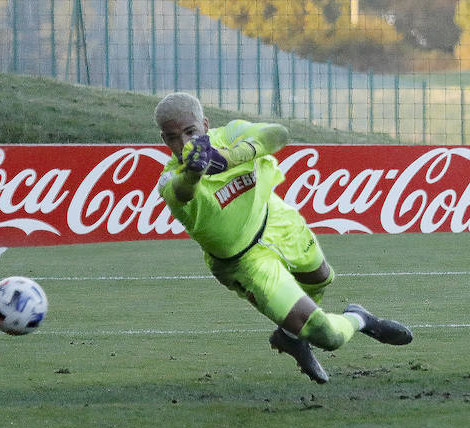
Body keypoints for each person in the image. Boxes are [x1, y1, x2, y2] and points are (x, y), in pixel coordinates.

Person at [153, 91, 413, 384]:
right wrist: (193, 173)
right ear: (165, 140)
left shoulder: (231, 134)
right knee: (327, 335)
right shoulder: (169, 178)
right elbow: (182, 191)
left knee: (320, 277)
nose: (185, 143)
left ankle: (291, 338)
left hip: (274, 219)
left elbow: (278, 134)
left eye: (191, 132)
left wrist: (229, 157)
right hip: (245, 263)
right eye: (174, 137)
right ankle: (361, 319)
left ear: (205, 124)